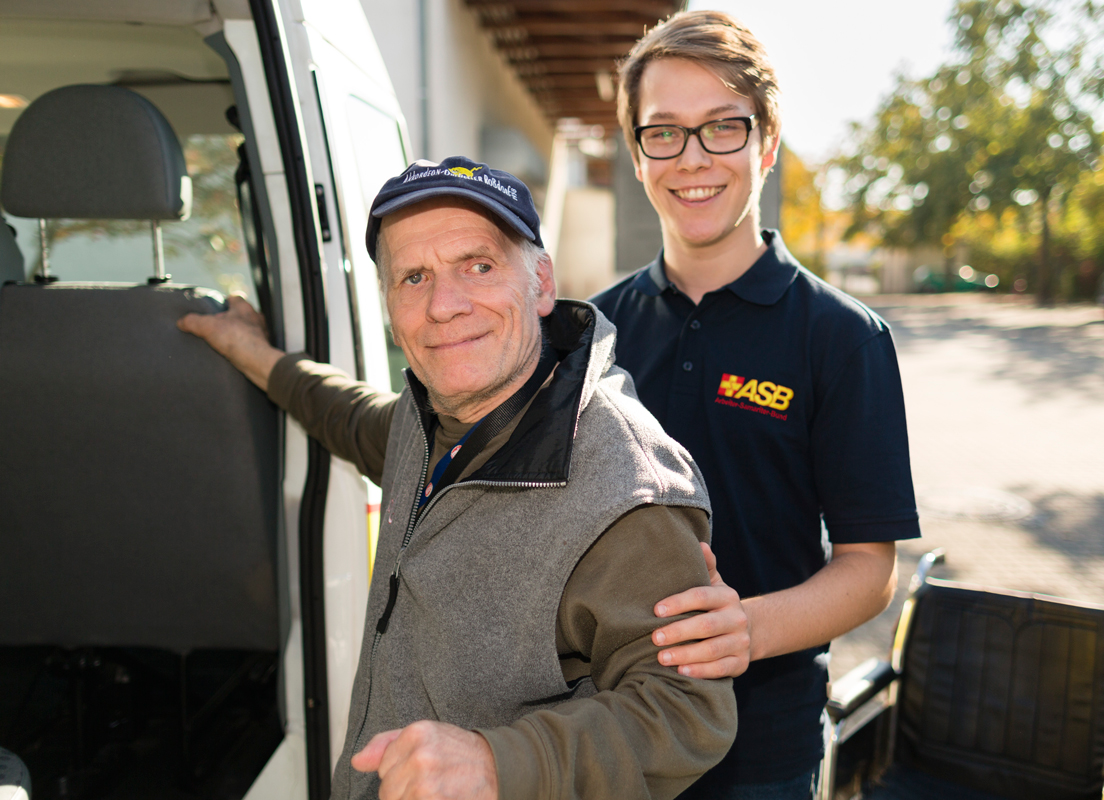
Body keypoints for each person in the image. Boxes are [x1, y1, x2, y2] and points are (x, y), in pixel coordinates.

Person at [178, 156, 737, 800]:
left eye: (478, 265)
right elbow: (349, 417)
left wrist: (499, 763)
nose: (444, 305)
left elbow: (687, 714)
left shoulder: (625, 485)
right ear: (390, 307)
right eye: (413, 277)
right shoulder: (430, 416)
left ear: (542, 283)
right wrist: (254, 354)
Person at [592, 11, 921, 798]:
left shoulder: (844, 339)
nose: (693, 159)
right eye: (663, 132)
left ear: (766, 145)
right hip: (602, 730)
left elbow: (869, 569)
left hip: (760, 746)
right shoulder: (593, 334)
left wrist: (749, 630)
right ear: (638, 157)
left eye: (722, 129)